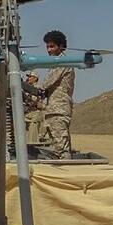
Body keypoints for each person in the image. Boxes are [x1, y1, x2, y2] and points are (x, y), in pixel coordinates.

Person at [39, 30, 75, 159]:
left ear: (61, 46)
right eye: (47, 46)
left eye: (52, 46)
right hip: (54, 109)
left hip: (58, 109)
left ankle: (67, 173)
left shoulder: (62, 62)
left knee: (62, 148)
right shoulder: (56, 63)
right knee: (57, 145)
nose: (49, 50)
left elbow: (46, 84)